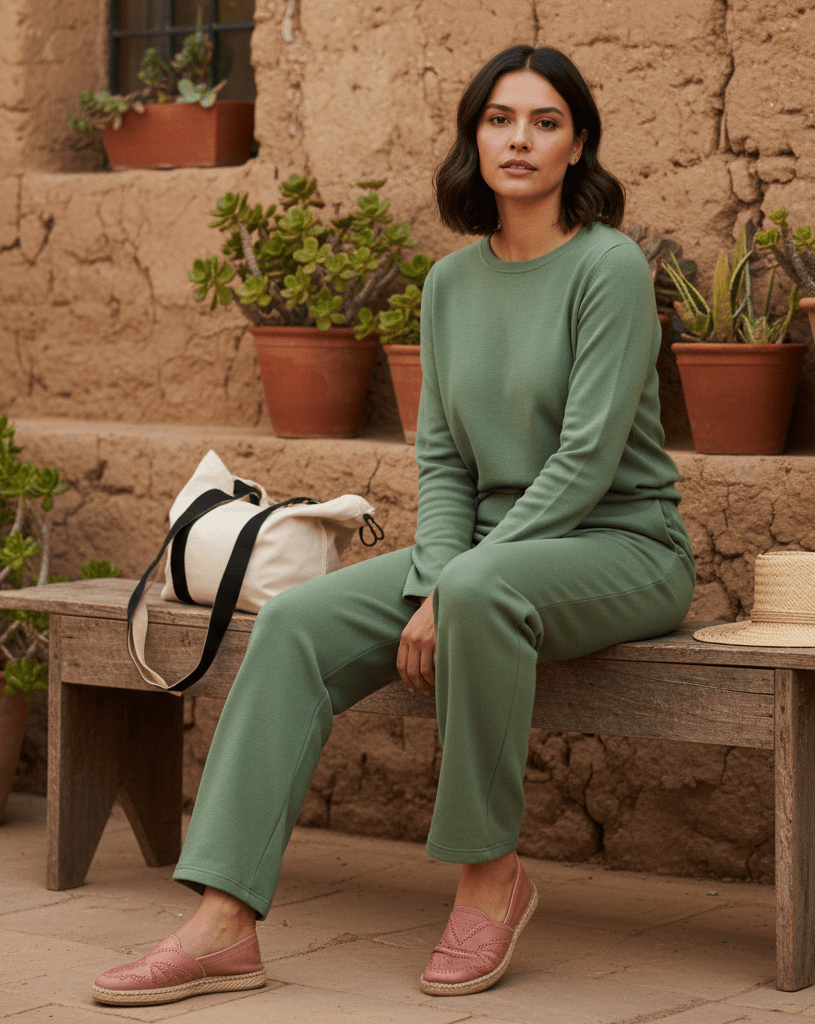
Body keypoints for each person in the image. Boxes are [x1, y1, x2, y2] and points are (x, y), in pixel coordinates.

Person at [92, 43, 695, 1007]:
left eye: (546, 122)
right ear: (474, 137)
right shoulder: (450, 286)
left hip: (621, 544)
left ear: (578, 144)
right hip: (483, 554)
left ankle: (491, 876)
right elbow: (446, 463)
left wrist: (455, 586)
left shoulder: (609, 268)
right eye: (500, 119)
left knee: (479, 588)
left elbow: (585, 464)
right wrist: (429, 586)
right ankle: (222, 921)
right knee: (295, 624)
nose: (520, 139)